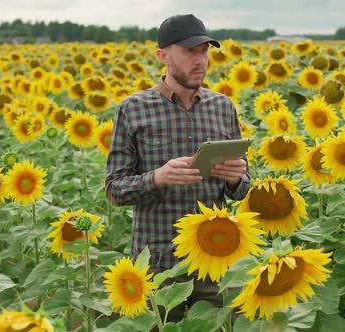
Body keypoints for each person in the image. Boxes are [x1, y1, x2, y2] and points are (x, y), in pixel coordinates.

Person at [105, 14, 250, 321]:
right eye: (189, 52)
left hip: (214, 257)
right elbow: (114, 190)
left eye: (204, 51)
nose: (200, 60)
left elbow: (242, 190)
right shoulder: (133, 109)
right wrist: (157, 178)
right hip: (158, 261)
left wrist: (237, 179)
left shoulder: (223, 107)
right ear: (163, 56)